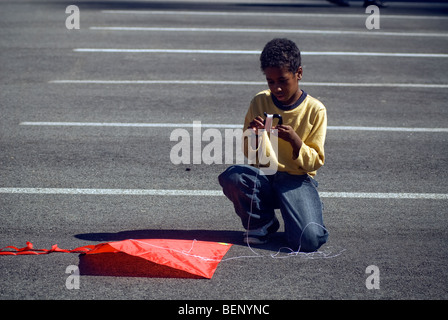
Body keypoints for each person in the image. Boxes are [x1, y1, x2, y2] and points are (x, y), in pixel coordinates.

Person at [218, 38, 328, 252]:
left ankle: (306, 206)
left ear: (299, 73)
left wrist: (296, 142)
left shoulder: (315, 110)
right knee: (233, 176)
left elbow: (315, 162)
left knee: (309, 241)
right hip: (266, 175)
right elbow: (249, 154)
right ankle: (263, 223)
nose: (276, 88)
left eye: (283, 80)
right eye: (270, 81)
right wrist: (255, 135)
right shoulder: (259, 101)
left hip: (296, 179)